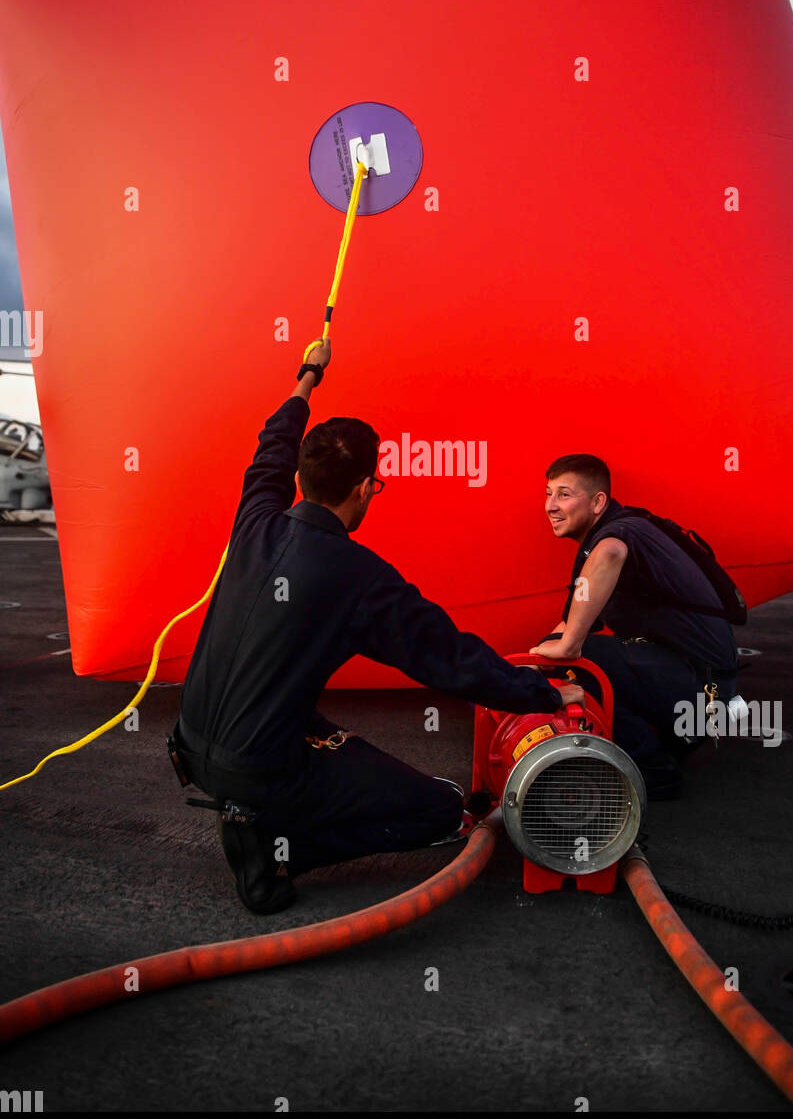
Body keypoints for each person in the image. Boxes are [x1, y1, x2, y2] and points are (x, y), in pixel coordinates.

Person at [170, 339, 582, 913]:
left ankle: (265, 812)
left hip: (191, 745)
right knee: (441, 809)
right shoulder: (357, 576)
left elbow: (272, 446)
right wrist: (545, 693)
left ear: (301, 477)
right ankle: (280, 849)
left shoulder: (255, 520)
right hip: (258, 769)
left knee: (321, 732)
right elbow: (449, 657)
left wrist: (306, 379)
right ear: (366, 487)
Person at [530, 454, 739, 799]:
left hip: (703, 694)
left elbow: (611, 553)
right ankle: (664, 745)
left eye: (564, 494)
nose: (550, 506)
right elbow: (571, 623)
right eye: (548, 493)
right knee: (563, 651)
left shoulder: (615, 535)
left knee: (584, 659)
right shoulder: (625, 529)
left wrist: (565, 650)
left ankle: (652, 771)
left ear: (598, 502)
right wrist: (532, 660)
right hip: (697, 689)